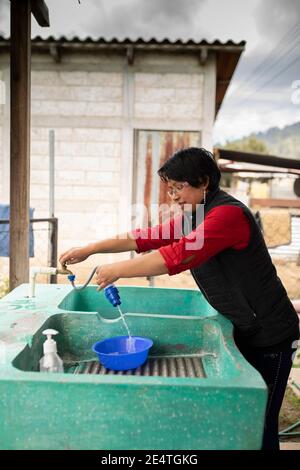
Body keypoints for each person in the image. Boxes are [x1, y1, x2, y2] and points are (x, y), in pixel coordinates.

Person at [59, 147, 299, 450]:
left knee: (259, 421)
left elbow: (177, 256)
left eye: (179, 187)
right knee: (239, 416)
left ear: (204, 181)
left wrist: (117, 269)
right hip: (243, 327)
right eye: (169, 188)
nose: (173, 196)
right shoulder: (194, 217)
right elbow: (143, 237)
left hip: (271, 333)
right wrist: (90, 248)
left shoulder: (227, 215)